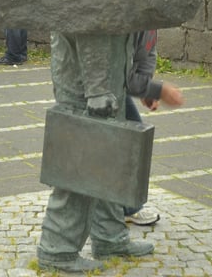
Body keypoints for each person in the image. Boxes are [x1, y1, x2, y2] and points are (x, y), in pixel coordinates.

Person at [36, 32, 154, 272]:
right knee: (81, 162)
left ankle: (110, 236)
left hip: (106, 74)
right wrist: (97, 89)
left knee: (107, 156)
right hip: (85, 81)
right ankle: (57, 249)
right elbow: (89, 23)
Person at [123, 29, 185, 226]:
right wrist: (158, 90)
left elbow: (148, 52)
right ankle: (122, 209)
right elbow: (119, 74)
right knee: (131, 140)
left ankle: (123, 208)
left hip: (113, 89)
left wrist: (146, 88)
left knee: (133, 139)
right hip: (95, 91)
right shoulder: (128, 20)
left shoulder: (150, 21)